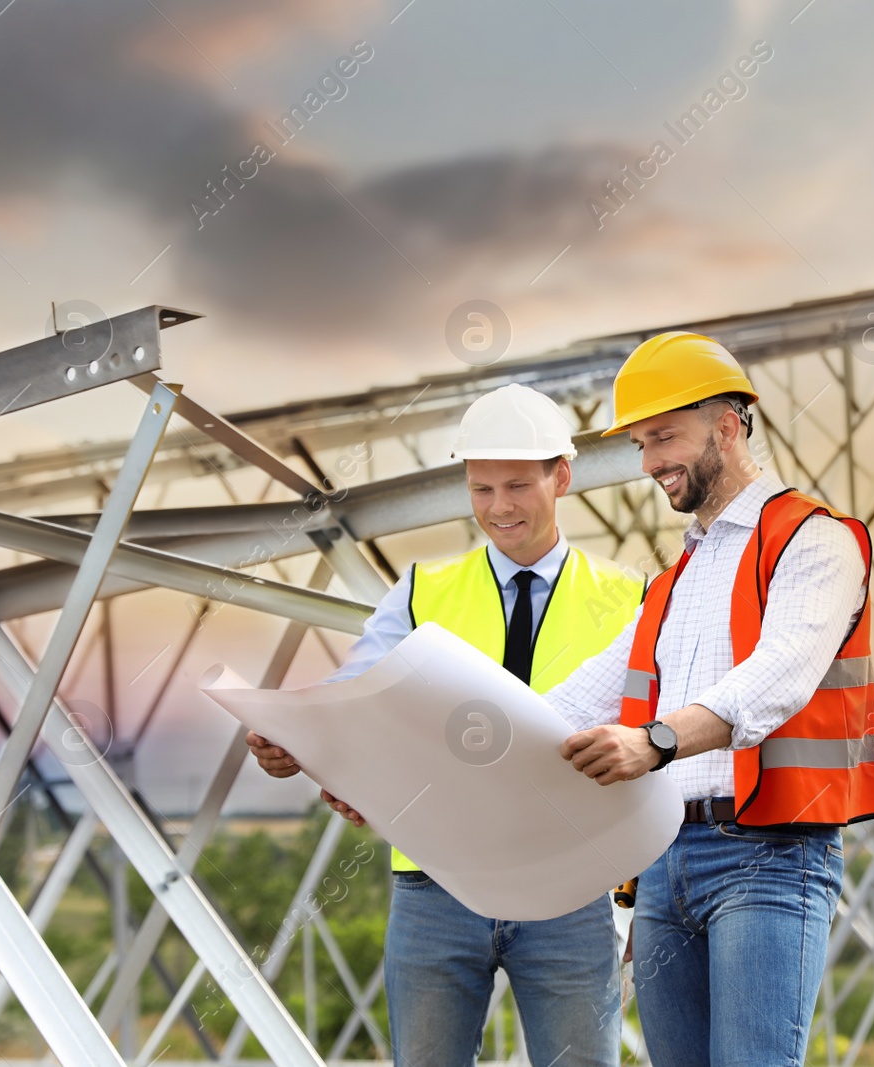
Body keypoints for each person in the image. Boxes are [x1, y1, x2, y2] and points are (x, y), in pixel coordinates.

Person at [245, 383, 645, 1067]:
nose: (499, 507)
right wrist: (299, 736)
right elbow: (358, 691)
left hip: (570, 887)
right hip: (437, 885)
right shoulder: (421, 589)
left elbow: (652, 743)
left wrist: (641, 890)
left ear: (563, 475)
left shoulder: (632, 596)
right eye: (481, 487)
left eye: (518, 485)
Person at [546, 332, 874, 1066]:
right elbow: (574, 700)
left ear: (728, 425)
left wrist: (654, 741)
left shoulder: (815, 541)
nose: (648, 463)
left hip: (770, 854)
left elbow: (779, 676)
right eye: (640, 444)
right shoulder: (675, 582)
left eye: (663, 437)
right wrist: (427, 753)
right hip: (666, 862)